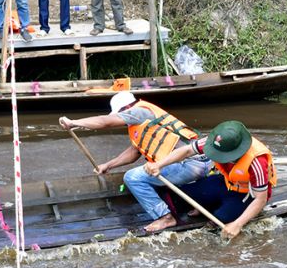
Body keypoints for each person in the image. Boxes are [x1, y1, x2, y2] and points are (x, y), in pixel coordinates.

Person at [58, 92, 206, 232]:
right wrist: (108, 165)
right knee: (153, 170)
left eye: (120, 114)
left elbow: (105, 122)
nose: (121, 119)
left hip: (190, 164)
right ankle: (199, 203)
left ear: (127, 108)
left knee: (132, 177)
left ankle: (165, 217)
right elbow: (134, 152)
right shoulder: (145, 119)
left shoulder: (138, 112)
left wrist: (73, 122)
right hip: (202, 162)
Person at [144, 120, 276, 239]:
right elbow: (187, 151)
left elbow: (261, 198)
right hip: (226, 182)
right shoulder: (217, 142)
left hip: (248, 193)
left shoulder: (257, 161)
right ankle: (206, 204)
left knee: (221, 219)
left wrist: (237, 224)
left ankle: (212, 206)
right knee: (183, 194)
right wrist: (158, 165)